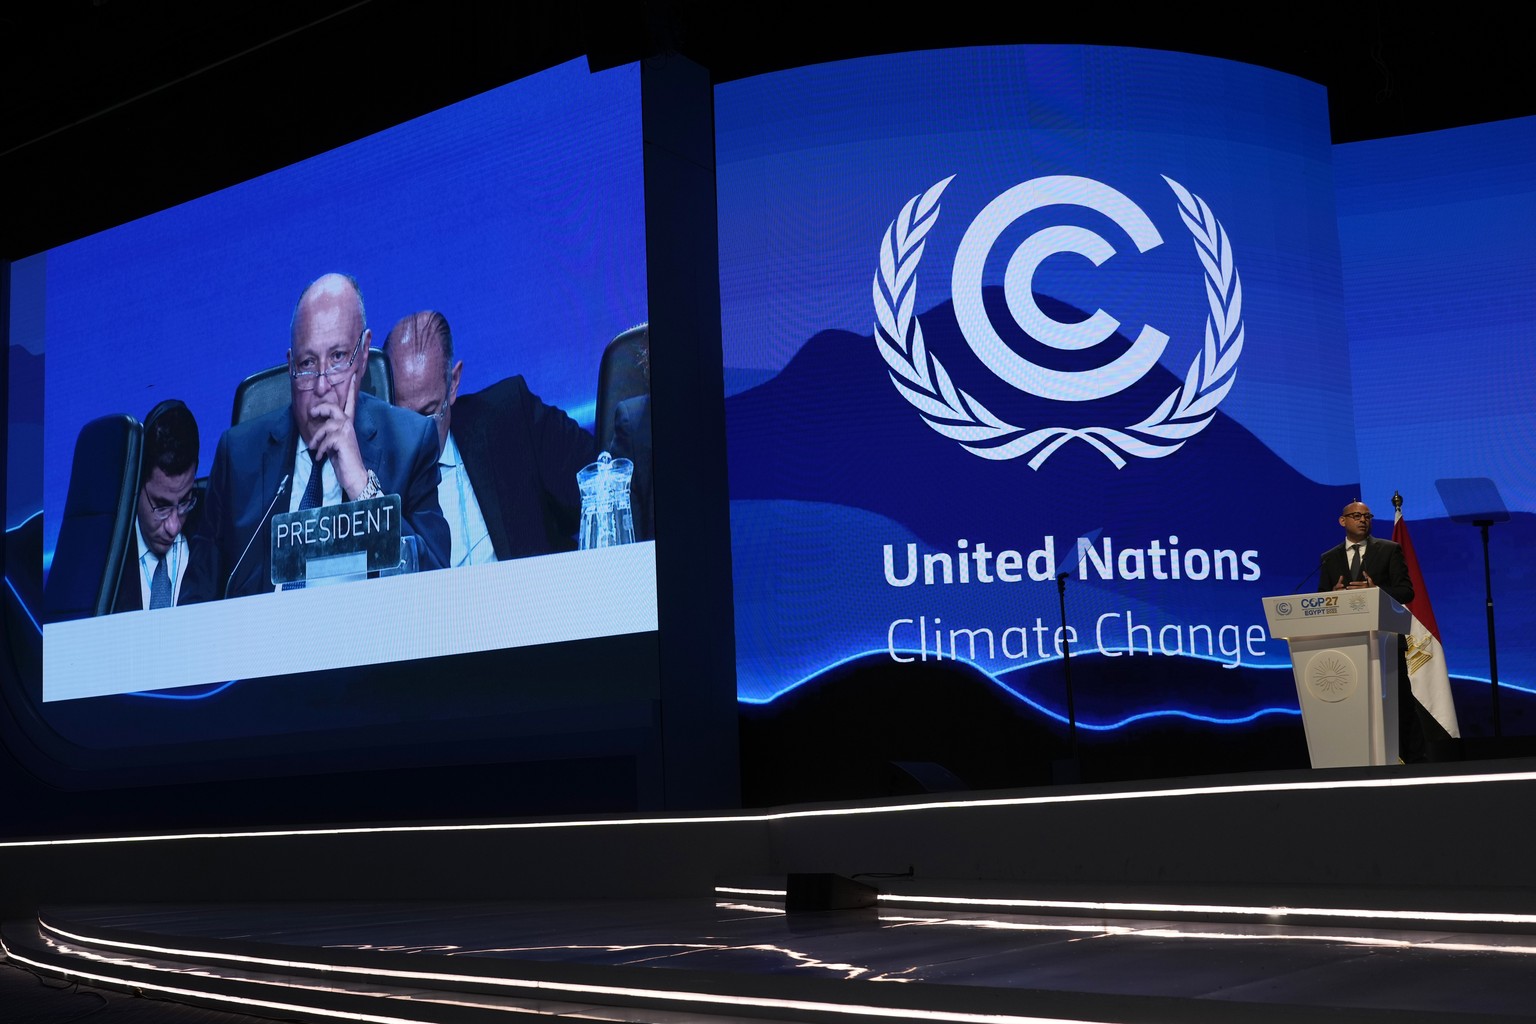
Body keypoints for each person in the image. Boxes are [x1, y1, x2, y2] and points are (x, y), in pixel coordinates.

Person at [186, 274, 449, 599]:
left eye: (338, 357)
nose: (322, 386)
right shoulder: (237, 456)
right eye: (308, 363)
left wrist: (361, 487)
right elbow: (194, 604)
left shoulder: (410, 444)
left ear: (364, 353)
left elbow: (437, 587)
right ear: (290, 366)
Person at [382, 310, 595, 565]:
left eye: (427, 414)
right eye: (402, 416)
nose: (414, 432)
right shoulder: (373, 470)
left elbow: (603, 484)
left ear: (453, 384)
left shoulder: (511, 419)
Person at [1317, 499, 1438, 761]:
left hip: (1386, 642)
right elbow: (1321, 599)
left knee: (1400, 705)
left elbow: (1406, 591)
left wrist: (1377, 592)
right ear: (1343, 521)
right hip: (1347, 645)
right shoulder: (1329, 558)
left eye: (1367, 516)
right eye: (1356, 515)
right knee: (1355, 707)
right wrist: (1333, 595)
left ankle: (1418, 764)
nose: (1363, 520)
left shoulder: (1389, 550)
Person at [115, 400, 204, 610]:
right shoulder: (106, 550)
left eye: (184, 503)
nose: (173, 527)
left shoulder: (214, 532)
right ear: (136, 482)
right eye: (161, 507)